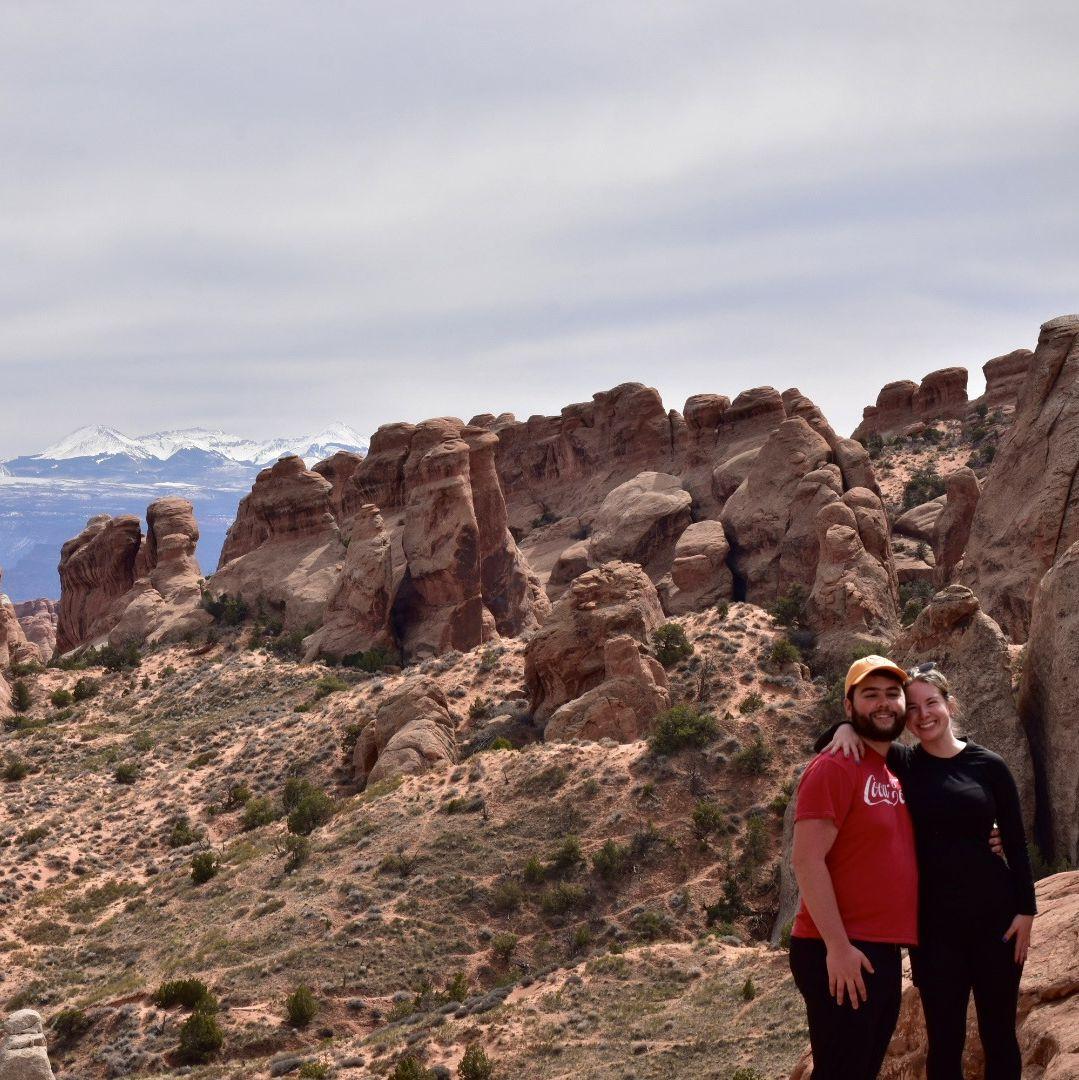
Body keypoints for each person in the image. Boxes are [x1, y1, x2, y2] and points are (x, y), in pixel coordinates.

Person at [824, 663, 1036, 1080]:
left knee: (999, 1034)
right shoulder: (903, 762)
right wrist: (842, 729)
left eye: (932, 704)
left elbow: (1015, 841)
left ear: (949, 706)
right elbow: (838, 742)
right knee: (944, 1039)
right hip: (934, 930)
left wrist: (1026, 911)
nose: (923, 715)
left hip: (997, 921)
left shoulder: (988, 765)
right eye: (914, 707)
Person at [789, 655, 918, 1080]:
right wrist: (838, 948)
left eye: (891, 694)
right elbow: (807, 861)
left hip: (879, 947)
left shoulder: (893, 768)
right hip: (840, 946)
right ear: (849, 707)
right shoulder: (834, 767)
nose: (883, 704)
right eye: (870, 695)